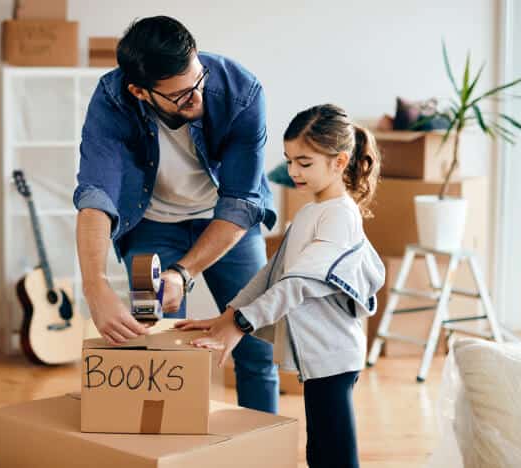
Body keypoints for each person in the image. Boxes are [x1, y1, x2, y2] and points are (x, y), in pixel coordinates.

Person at [73, 16, 279, 413]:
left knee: (255, 346)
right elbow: (96, 195)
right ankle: (163, 447)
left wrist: (183, 273)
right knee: (156, 346)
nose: (197, 99)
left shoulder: (241, 91)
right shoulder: (112, 100)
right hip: (150, 224)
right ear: (140, 91)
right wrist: (95, 286)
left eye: (198, 81)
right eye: (182, 96)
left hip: (227, 224)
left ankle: (262, 450)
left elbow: (239, 200)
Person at [176, 103, 386, 468]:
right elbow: (271, 273)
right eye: (289, 161)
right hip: (320, 357)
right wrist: (228, 316)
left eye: (305, 163)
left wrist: (241, 324)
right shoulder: (310, 212)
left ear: (339, 162)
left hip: (333, 357)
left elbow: (298, 283)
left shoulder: (339, 216)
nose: (293, 172)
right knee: (320, 449)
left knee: (333, 453)